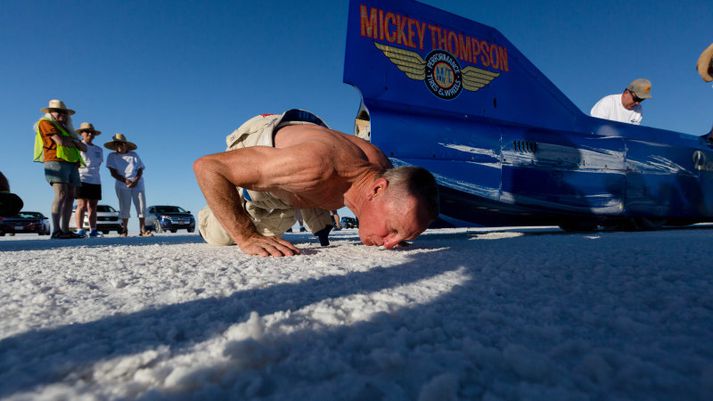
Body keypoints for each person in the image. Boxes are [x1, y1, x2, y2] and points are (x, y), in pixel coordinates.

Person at [193, 109, 439, 257]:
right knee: (224, 235)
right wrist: (246, 236)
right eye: (394, 231)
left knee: (292, 207)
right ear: (377, 189)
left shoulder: (382, 170)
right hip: (264, 144)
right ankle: (212, 213)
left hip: (312, 143)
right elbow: (208, 167)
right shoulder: (313, 166)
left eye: (405, 238)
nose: (391, 244)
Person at [33, 99, 86, 239]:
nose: (63, 114)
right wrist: (75, 142)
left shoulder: (66, 129)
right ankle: (56, 230)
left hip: (71, 163)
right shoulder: (45, 123)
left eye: (65, 112)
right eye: (59, 112)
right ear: (51, 113)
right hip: (55, 161)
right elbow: (60, 141)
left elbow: (84, 147)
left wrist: (72, 141)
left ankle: (65, 229)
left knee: (70, 196)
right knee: (61, 194)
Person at [105, 133, 152, 237]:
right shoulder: (111, 156)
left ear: (125, 144)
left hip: (138, 182)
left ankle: (143, 229)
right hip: (122, 183)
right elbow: (113, 173)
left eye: (121, 144)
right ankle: (124, 230)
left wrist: (136, 180)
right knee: (124, 206)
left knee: (141, 205)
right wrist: (126, 180)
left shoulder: (134, 155)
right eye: (117, 144)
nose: (119, 146)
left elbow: (140, 169)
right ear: (114, 146)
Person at [74, 122, 104, 237]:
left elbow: (99, 164)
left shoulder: (99, 149)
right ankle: (80, 229)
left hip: (95, 180)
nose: (90, 134)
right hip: (82, 177)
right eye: (87, 131)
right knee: (81, 205)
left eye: (92, 132)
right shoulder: (78, 146)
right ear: (82, 133)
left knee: (93, 206)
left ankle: (93, 230)